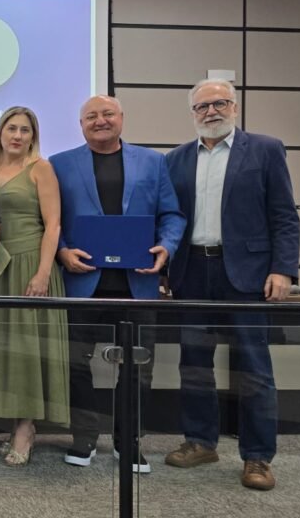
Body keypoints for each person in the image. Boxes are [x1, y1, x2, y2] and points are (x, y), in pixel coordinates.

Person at [163, 79, 299, 491]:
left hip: (247, 275)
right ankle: (200, 442)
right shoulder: (176, 159)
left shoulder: (265, 149)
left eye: (219, 103)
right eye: (202, 106)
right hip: (192, 273)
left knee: (254, 367)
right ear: (193, 113)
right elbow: (170, 217)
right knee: (194, 364)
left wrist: (284, 269)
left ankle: (258, 457)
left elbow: (285, 216)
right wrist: (168, 269)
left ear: (235, 107)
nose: (211, 111)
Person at [51, 95, 185, 474]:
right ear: (80, 125)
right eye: (91, 116)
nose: (100, 121)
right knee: (77, 364)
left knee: (138, 368)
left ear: (122, 118)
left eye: (107, 113)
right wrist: (61, 251)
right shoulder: (59, 164)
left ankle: (129, 441)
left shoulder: (154, 162)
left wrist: (167, 247)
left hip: (138, 283)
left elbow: (172, 215)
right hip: (82, 283)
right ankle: (85, 436)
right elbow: (50, 219)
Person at [0, 106, 69, 467]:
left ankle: (26, 428)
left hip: (31, 267)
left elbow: (54, 225)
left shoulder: (40, 169)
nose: (17, 135)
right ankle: (16, 422)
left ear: (33, 136)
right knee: (7, 351)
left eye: (25, 130)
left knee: (30, 349)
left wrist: (44, 271)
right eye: (11, 128)